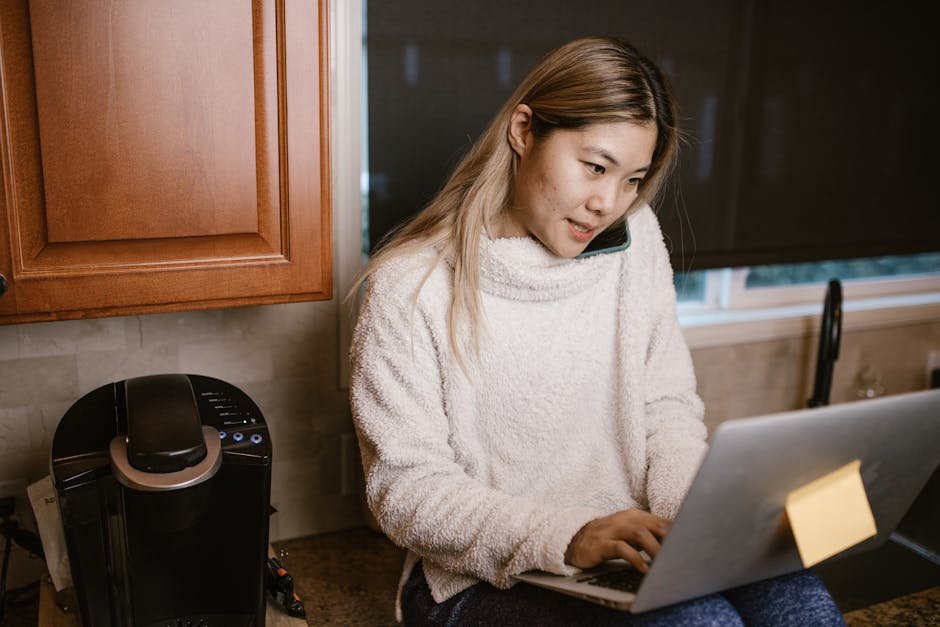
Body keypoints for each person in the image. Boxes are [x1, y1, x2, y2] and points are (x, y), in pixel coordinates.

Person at [349, 36, 844, 626]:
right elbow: (404, 493)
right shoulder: (408, 287)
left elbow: (665, 409)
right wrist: (571, 535)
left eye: (633, 178)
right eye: (595, 166)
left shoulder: (634, 245)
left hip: (625, 550)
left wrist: (699, 522)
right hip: (476, 579)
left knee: (801, 605)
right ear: (524, 131)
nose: (608, 203)